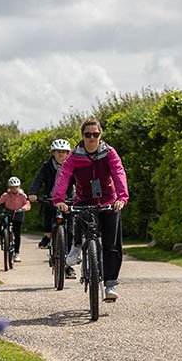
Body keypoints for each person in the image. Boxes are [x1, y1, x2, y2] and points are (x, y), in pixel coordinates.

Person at [52, 117, 129, 301]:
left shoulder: (109, 153)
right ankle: (76, 247)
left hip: (109, 200)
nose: (92, 138)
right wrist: (59, 199)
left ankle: (110, 285)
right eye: (88, 134)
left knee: (112, 245)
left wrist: (122, 198)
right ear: (82, 136)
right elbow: (64, 176)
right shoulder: (74, 156)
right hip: (84, 198)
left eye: (95, 134)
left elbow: (119, 173)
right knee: (78, 213)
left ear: (100, 135)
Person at [28, 139, 77, 279]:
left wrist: (80, 196)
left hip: (67, 200)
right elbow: (39, 179)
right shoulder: (47, 166)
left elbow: (79, 181)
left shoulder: (72, 165)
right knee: (48, 214)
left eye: (64, 152)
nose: (61, 154)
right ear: (53, 153)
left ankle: (68, 265)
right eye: (58, 152)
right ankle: (48, 235)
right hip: (50, 198)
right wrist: (33, 193)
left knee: (70, 231)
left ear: (68, 153)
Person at [0, 176, 31, 262]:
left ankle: (17, 254)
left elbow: (27, 203)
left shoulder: (22, 195)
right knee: (3, 221)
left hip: (18, 213)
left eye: (16, 187)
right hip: (9, 212)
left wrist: (24, 208)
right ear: (9, 187)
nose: (14, 189)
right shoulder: (6, 195)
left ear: (19, 187)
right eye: (12, 187)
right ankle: (2, 236)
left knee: (17, 234)